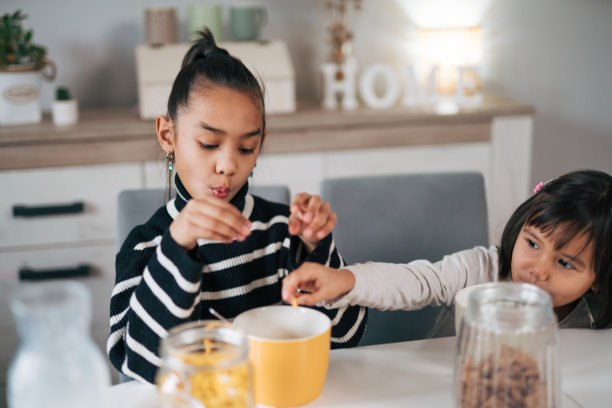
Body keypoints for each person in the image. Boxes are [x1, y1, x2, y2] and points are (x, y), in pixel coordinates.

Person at [108, 29, 366, 383]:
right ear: (168, 135)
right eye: (209, 143)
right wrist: (178, 244)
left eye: (246, 148)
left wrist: (315, 248)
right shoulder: (145, 246)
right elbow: (139, 365)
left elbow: (346, 336)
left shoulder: (280, 232)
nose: (228, 165)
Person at [282, 169, 612, 334]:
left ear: (598, 279)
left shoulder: (594, 317)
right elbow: (419, 280)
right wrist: (346, 280)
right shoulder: (483, 270)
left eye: (566, 263)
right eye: (533, 243)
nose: (538, 269)